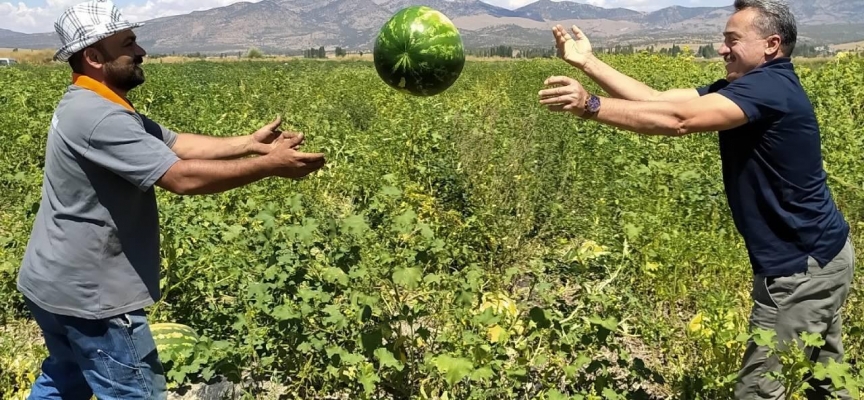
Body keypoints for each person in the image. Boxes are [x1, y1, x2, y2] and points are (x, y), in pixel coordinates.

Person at [538, 0, 854, 398]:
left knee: (758, 391)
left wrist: (589, 105)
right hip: (822, 256)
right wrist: (588, 63)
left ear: (771, 44)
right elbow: (658, 99)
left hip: (800, 267)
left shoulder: (769, 88)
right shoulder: (753, 85)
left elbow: (678, 121)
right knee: (827, 384)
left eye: (732, 40)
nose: (722, 49)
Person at [16, 0, 326, 398]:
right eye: (128, 44)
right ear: (94, 57)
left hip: (54, 282)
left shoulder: (92, 102)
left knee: (66, 377)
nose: (141, 51)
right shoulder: (101, 118)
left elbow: (176, 143)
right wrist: (270, 167)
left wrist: (250, 145)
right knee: (135, 392)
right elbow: (181, 177)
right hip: (93, 296)